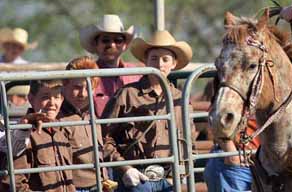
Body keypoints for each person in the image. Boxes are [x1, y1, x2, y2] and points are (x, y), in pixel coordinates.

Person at [103, 30, 195, 192]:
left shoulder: (180, 99)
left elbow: (189, 139)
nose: (159, 64)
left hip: (170, 178)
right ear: (145, 61)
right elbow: (103, 136)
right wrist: (125, 168)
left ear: (173, 64)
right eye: (154, 58)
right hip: (136, 177)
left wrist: (183, 171)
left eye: (165, 59)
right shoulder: (127, 94)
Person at [0, 79, 75, 192]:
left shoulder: (62, 131)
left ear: (62, 99)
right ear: (31, 98)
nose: (52, 103)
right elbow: (14, 182)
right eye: (45, 97)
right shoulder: (24, 133)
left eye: (57, 97)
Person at [61, 56, 116, 192]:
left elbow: (105, 144)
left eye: (89, 88)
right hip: (75, 187)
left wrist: (126, 168)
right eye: (77, 87)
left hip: (102, 184)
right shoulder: (58, 119)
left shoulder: (94, 113)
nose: (83, 94)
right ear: (65, 85)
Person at [79, 14, 141, 117]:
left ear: (124, 45)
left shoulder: (137, 74)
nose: (111, 45)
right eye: (105, 40)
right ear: (96, 44)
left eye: (118, 40)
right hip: (99, 132)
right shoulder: (86, 75)